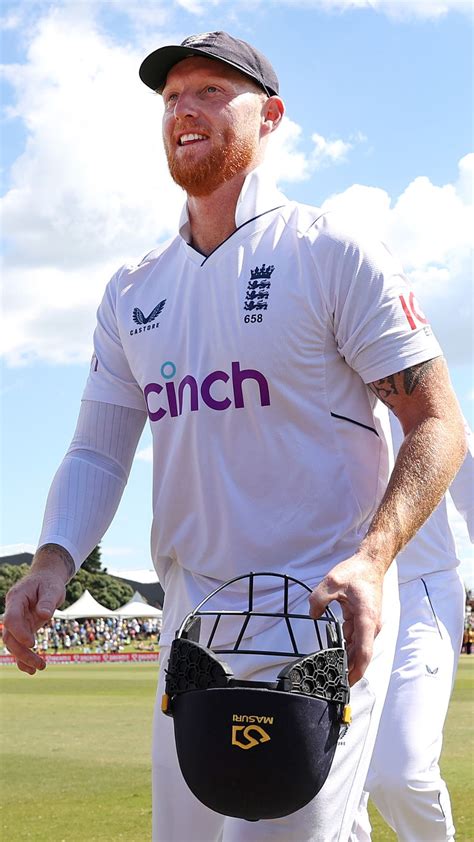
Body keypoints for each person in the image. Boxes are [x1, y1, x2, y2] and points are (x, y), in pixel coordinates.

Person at [3, 31, 466, 842]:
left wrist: (374, 557)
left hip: (319, 612)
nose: (185, 109)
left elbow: (437, 422)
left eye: (212, 92)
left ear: (271, 116)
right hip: (195, 627)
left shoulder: (332, 251)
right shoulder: (134, 288)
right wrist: (53, 560)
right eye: (172, 96)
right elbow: (97, 449)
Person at [352, 418, 473, 842]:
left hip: (421, 590)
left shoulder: (415, 386)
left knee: (399, 774)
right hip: (337, 597)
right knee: (335, 786)